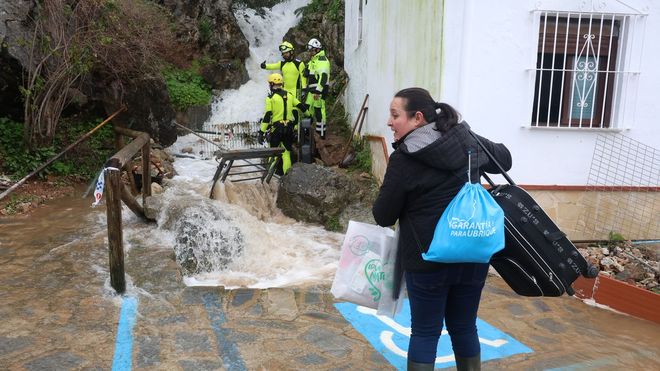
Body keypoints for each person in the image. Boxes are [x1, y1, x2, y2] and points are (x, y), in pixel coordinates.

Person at [372, 88, 512, 371]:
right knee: (464, 327)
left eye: (395, 115)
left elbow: (383, 215)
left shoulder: (406, 156)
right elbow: (504, 159)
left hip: (427, 259)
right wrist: (470, 140)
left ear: (417, 118)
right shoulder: (466, 140)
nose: (389, 121)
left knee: (425, 332)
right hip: (473, 254)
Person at [258, 73, 307, 174]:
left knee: (274, 154)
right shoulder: (290, 95)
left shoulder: (270, 98)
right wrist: (309, 115)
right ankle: (286, 178)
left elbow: (267, 116)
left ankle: (269, 179)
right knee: (286, 154)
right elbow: (301, 107)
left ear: (272, 84)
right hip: (288, 128)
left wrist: (261, 132)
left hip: (276, 129)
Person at [304, 38, 331, 139]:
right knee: (307, 109)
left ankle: (321, 134)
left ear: (317, 49)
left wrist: (318, 91)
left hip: (319, 91)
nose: (310, 52)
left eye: (311, 50)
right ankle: (307, 132)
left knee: (319, 111)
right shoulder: (313, 61)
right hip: (312, 91)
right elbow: (308, 73)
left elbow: (323, 78)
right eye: (309, 50)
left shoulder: (322, 61)